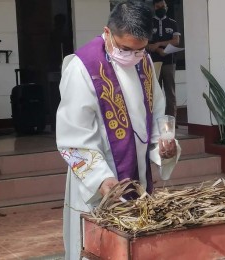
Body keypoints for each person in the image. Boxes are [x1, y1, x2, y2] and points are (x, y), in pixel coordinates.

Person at [55, 1, 181, 259]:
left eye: (140, 50)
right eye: (125, 49)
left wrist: (163, 147)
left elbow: (156, 112)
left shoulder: (143, 61)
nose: (133, 56)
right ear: (107, 32)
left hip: (138, 180)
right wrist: (102, 180)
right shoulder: (82, 68)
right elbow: (73, 139)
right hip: (98, 186)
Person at [147, 0, 181, 117]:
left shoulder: (172, 22)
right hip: (154, 62)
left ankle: (172, 120)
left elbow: (176, 41)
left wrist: (158, 44)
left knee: (170, 91)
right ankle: (156, 118)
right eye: (158, 6)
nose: (160, 8)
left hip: (169, 62)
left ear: (166, 7)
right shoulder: (149, 23)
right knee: (155, 91)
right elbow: (146, 43)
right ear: (154, 7)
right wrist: (158, 49)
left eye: (163, 6)